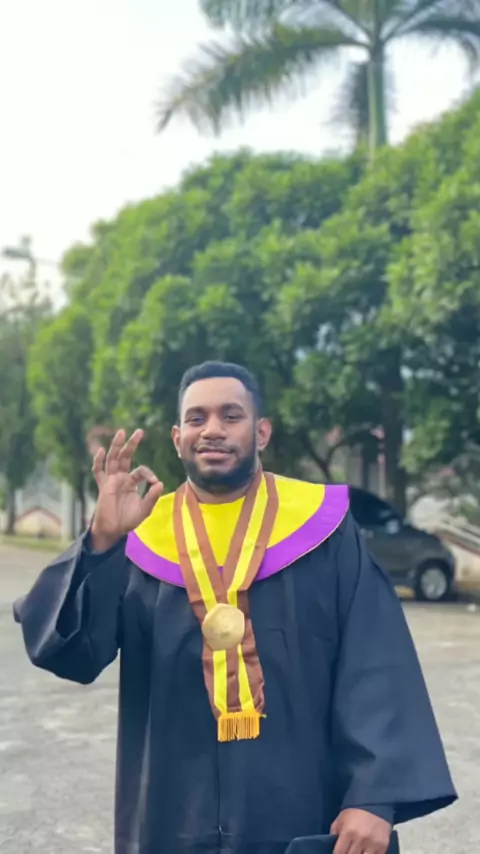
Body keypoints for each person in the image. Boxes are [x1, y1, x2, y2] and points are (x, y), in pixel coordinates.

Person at [14, 361, 456, 854]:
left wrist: (373, 796)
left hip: (304, 808)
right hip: (172, 814)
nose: (213, 430)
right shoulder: (140, 536)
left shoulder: (323, 527)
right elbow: (70, 652)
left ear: (261, 432)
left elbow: (374, 659)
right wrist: (100, 542)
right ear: (178, 437)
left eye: (231, 415)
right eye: (197, 418)